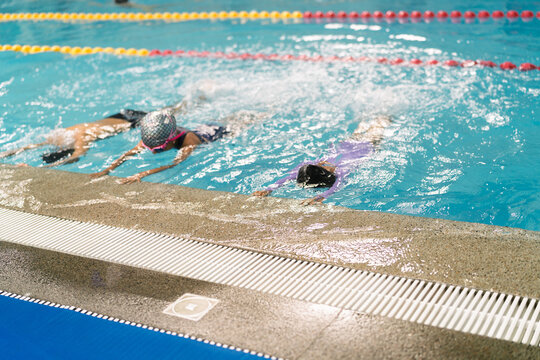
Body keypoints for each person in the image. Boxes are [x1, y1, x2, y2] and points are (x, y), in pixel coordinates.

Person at [0, 100, 196, 167]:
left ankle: (191, 102)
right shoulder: (62, 134)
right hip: (119, 116)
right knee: (168, 110)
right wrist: (6, 155)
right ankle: (187, 103)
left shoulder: (81, 138)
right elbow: (31, 146)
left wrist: (44, 168)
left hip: (129, 122)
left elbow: (77, 157)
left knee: (169, 115)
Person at [90, 109, 264, 184]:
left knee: (244, 122)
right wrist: (107, 170)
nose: (154, 151)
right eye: (151, 148)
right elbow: (129, 154)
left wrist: (142, 174)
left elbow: (175, 164)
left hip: (220, 134)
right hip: (205, 126)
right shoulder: (154, 136)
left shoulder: (189, 141)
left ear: (172, 141)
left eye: (158, 148)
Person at [252, 115, 392, 205]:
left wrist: (268, 189)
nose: (321, 162)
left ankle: (370, 113)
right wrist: (321, 197)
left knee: (361, 126)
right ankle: (386, 115)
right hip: (369, 145)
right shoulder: (342, 171)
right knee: (379, 125)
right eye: (321, 166)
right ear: (326, 172)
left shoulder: (322, 164)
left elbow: (288, 178)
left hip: (348, 143)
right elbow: (337, 186)